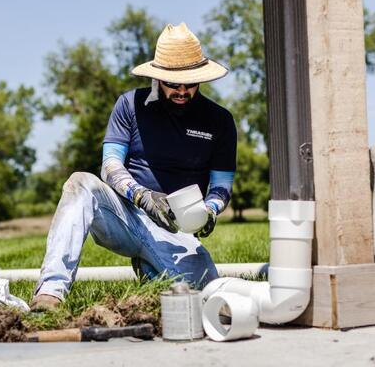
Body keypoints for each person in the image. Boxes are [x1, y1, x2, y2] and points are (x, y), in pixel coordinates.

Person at [30, 23, 237, 311]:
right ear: (158, 77)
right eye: (173, 83)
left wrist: (211, 210)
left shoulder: (220, 120)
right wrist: (143, 197)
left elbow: (222, 184)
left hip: (175, 230)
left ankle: (151, 269)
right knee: (80, 183)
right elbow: (110, 166)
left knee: (206, 294)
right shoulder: (130, 105)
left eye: (189, 83)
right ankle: (50, 292)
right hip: (124, 214)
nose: (181, 91)